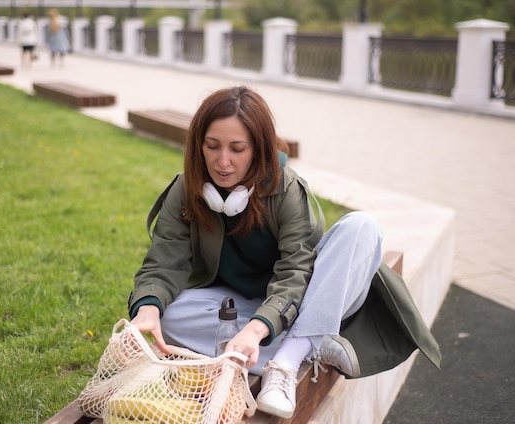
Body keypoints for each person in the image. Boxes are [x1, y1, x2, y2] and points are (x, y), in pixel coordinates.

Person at [128, 86, 440, 419]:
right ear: (198, 145)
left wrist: (257, 329)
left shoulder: (287, 189)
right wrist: (148, 307)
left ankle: (287, 362)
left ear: (259, 148)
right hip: (242, 305)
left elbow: (296, 273)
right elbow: (164, 260)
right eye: (212, 146)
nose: (222, 161)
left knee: (362, 227)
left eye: (237, 149)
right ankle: (315, 340)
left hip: (307, 298)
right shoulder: (186, 189)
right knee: (171, 314)